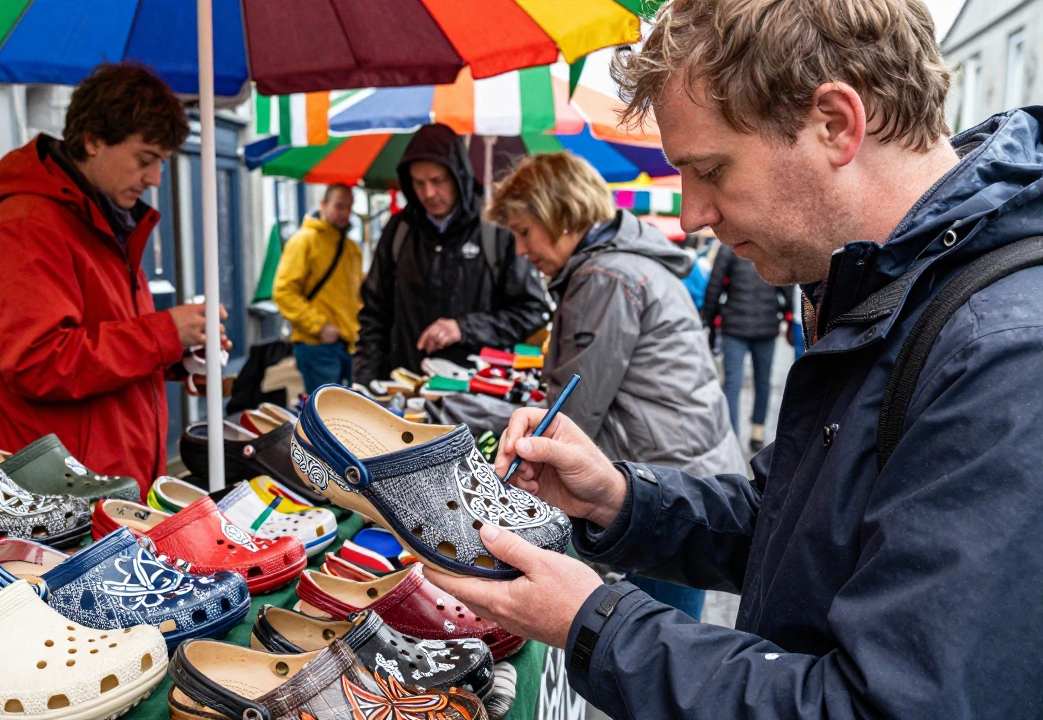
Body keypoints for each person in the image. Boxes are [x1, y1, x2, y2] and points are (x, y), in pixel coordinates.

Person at [426, 1, 1043, 717]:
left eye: (711, 169)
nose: (691, 216)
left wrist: (592, 620)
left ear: (836, 123)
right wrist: (620, 499)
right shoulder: (884, 287)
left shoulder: (1003, 357)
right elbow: (785, 520)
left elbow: (885, 705)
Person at [487, 152, 745, 619]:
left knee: (657, 656)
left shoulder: (603, 276)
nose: (522, 251)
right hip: (683, 474)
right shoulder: (617, 265)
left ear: (558, 213)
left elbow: (572, 417)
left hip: (667, 484)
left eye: (524, 232)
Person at [0, 62, 226, 492]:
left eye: (160, 161)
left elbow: (104, 346)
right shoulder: (26, 227)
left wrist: (179, 352)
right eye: (145, 159)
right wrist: (164, 334)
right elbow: (40, 363)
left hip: (96, 481)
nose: (155, 178)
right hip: (53, 492)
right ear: (93, 141)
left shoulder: (105, 221)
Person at [354, 124, 549, 385]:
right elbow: (374, 316)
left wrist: (464, 328)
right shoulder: (399, 231)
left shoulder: (494, 228)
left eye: (437, 181)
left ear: (458, 175)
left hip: (479, 393)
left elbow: (533, 311)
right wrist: (364, 384)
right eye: (418, 183)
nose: (428, 193)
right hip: (407, 393)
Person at [701, 243, 795, 451]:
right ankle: (757, 432)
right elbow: (786, 286)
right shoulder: (769, 245)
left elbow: (714, 287)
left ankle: (731, 435)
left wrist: (709, 320)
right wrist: (788, 316)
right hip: (767, 325)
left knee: (732, 384)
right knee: (763, 381)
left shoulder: (728, 248)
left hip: (733, 326)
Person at [273, 184, 362, 392]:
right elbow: (283, 292)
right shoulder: (304, 241)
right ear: (323, 204)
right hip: (317, 345)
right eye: (339, 206)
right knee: (325, 416)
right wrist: (319, 326)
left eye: (349, 208)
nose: (345, 214)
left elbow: (357, 294)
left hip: (349, 344)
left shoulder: (351, 248)